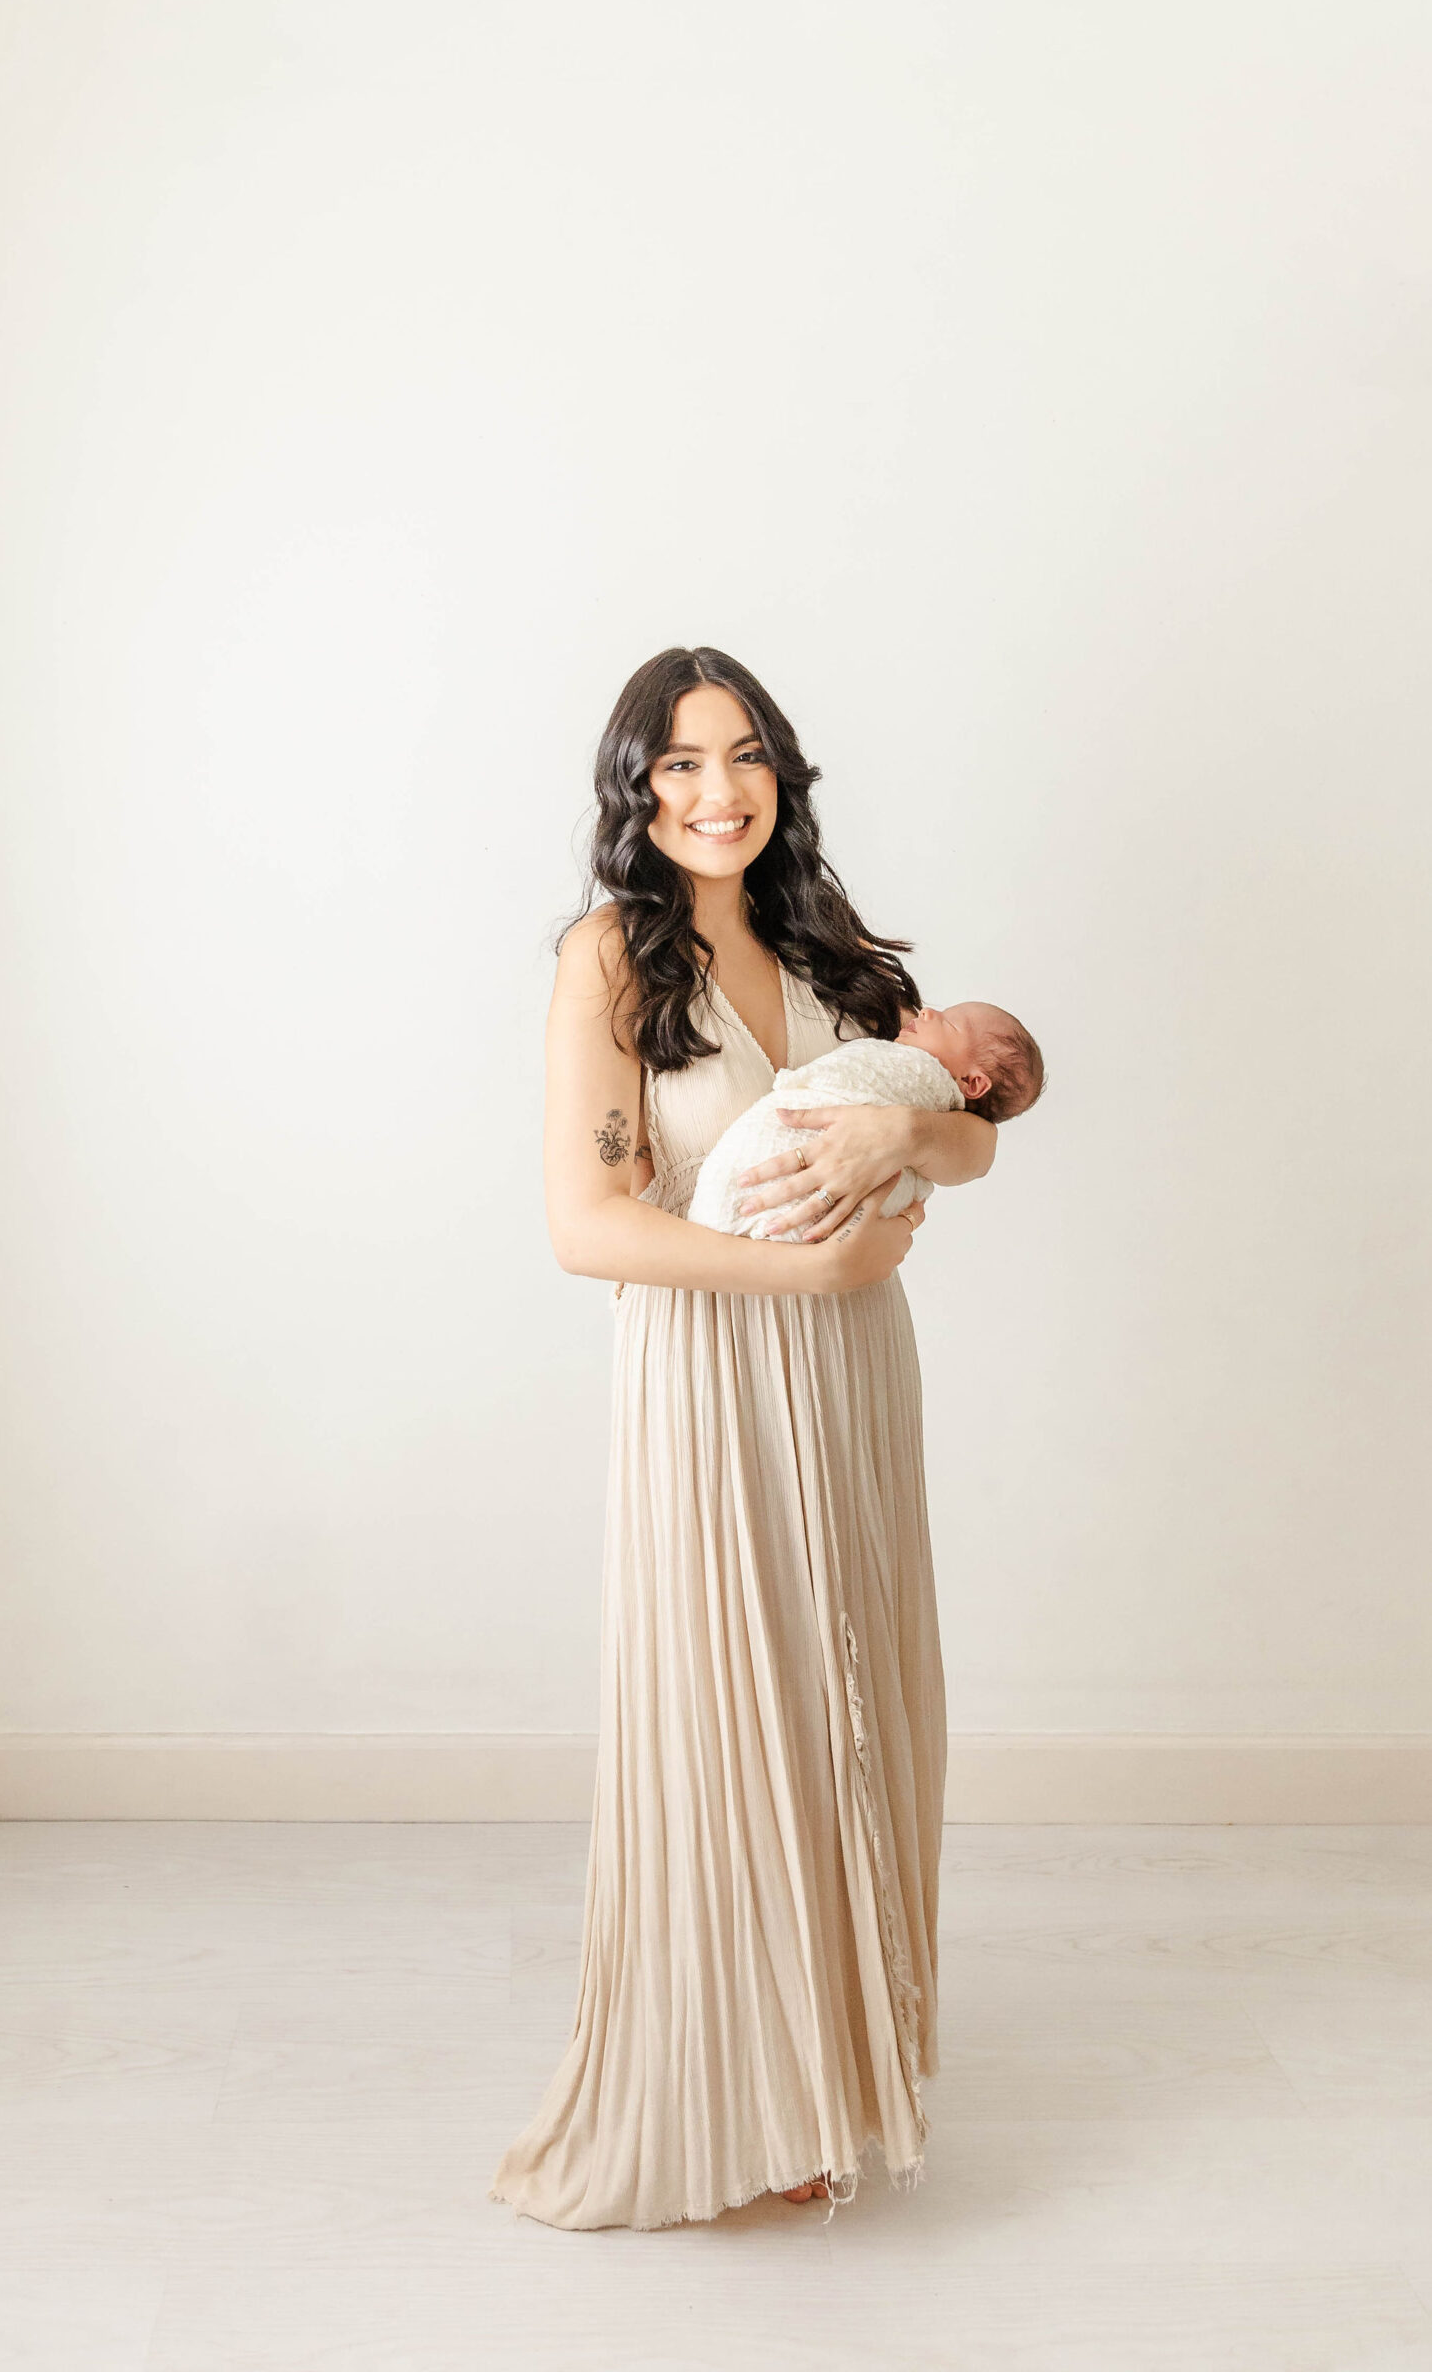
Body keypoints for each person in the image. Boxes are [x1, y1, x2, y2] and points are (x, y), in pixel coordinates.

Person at [488, 646, 998, 2232]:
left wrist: (911, 1131)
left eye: (744, 756)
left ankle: (837, 2074)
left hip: (851, 1372)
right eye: (679, 766)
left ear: (783, 773)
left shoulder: (833, 950)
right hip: (708, 1375)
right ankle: (732, 2077)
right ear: (636, 795)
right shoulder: (605, 962)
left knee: (855, 1692)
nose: (717, 792)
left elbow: (970, 1123)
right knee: (737, 1713)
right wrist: (802, 1261)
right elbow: (584, 1229)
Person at [689, 999, 1043, 1238]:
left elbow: (981, 1144)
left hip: (848, 1281)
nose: (928, 1010)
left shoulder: (859, 969)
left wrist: (906, 1132)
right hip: (716, 1265)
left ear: (972, 1083)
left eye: (950, 1023)